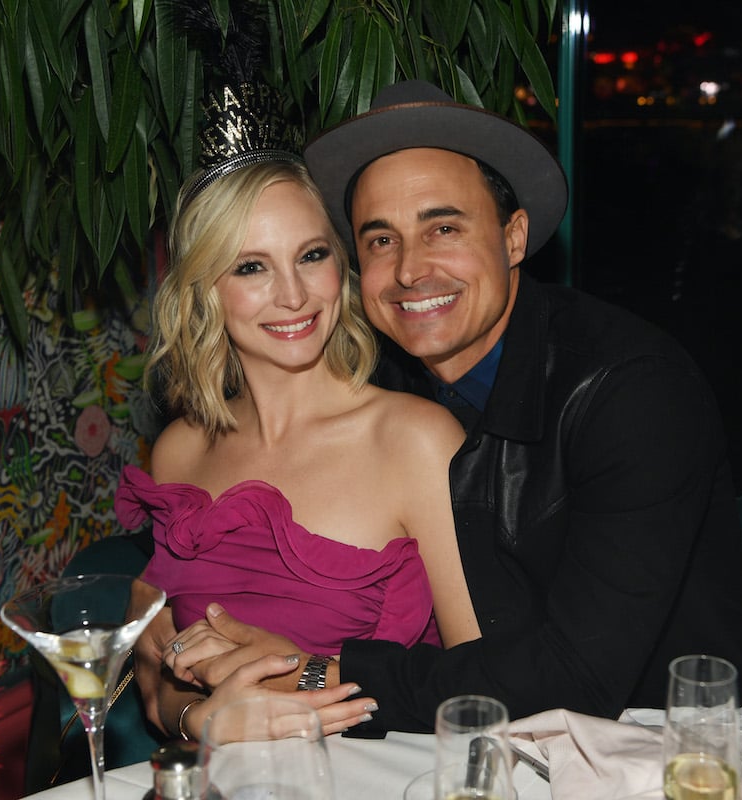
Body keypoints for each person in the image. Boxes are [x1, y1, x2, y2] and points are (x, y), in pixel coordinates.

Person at [172, 79, 742, 733]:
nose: (409, 270)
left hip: (673, 746)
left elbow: (579, 679)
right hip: (471, 739)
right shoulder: (378, 382)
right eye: (380, 240)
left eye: (443, 228)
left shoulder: (631, 390)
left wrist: (312, 669)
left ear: (513, 237)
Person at [122, 81, 479, 741]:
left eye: (311, 255)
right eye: (251, 267)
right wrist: (199, 719)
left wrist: (291, 671)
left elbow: (483, 692)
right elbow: (156, 683)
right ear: (206, 291)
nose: (292, 295)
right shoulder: (181, 450)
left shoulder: (415, 441)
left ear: (340, 267)